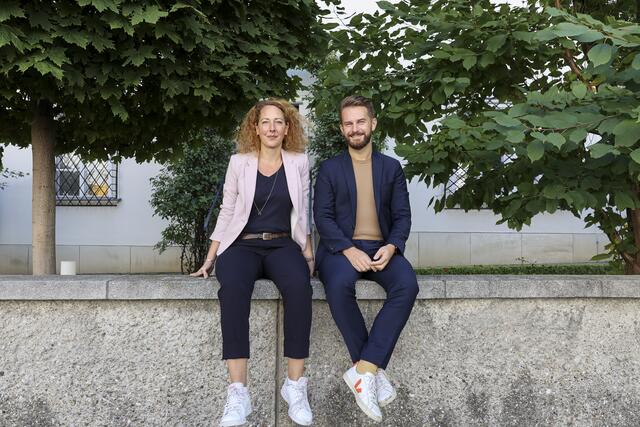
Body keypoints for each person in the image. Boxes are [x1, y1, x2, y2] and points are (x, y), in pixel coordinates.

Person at [191, 99, 314, 427]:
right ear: (255, 128)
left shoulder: (299, 162)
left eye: (278, 122)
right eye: (265, 122)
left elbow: (303, 212)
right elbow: (227, 210)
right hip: (241, 246)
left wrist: (309, 254)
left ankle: (295, 387)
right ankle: (238, 393)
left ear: (288, 128)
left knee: (300, 287)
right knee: (231, 289)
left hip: (282, 244)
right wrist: (210, 257)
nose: (272, 128)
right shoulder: (239, 163)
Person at [313, 95, 419, 422]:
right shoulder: (330, 168)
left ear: (373, 123)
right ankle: (371, 372)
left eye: (360, 122)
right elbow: (323, 217)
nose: (355, 129)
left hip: (381, 247)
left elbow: (402, 216)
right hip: (340, 248)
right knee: (339, 284)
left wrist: (393, 246)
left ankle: (364, 370)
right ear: (341, 129)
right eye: (348, 123)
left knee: (407, 285)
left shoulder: (391, 168)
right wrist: (348, 249)